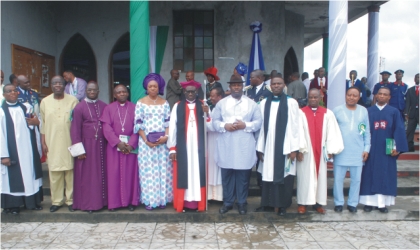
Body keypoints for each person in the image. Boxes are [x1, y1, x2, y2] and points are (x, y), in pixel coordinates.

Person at [212, 74, 263, 215]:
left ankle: (242, 203)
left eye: (238, 85)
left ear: (242, 87)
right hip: (226, 144)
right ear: (229, 87)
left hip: (243, 145)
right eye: (233, 85)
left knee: (243, 176)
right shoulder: (221, 103)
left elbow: (258, 123)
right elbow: (214, 122)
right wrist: (225, 125)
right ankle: (228, 203)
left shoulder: (251, 104)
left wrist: (244, 125)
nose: (236, 87)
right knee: (227, 175)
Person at [255, 74, 301, 216]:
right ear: (270, 86)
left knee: (284, 176)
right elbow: (261, 127)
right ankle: (266, 204)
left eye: (279, 83)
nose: (276, 86)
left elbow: (295, 127)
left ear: (284, 85)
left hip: (285, 146)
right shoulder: (263, 103)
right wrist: (260, 148)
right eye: (274, 84)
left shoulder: (291, 102)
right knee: (267, 175)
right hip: (268, 145)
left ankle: (282, 206)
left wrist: (294, 148)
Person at [360, 87, 408, 213]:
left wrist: (397, 148)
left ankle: (382, 204)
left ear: (389, 97)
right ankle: (368, 203)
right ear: (375, 95)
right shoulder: (368, 111)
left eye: (385, 94)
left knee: (385, 174)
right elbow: (362, 130)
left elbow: (399, 130)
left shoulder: (394, 112)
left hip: (387, 150)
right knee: (368, 174)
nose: (382, 96)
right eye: (379, 94)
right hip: (370, 149)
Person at [296, 89, 344, 214]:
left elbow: (332, 133)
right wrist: (300, 149)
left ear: (320, 98)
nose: (313, 99)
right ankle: (303, 203)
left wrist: (330, 149)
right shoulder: (301, 113)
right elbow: (298, 132)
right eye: (310, 97)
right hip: (306, 151)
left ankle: (318, 203)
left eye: (315, 97)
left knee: (321, 177)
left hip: (321, 151)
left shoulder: (328, 113)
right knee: (304, 177)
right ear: (307, 98)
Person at [1, 84, 43, 215]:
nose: (13, 93)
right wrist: (3, 155)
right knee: (13, 178)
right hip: (12, 152)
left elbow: (34, 125)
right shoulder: (1, 112)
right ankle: (13, 205)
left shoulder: (27, 107)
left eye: (14, 91)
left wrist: (36, 123)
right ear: (4, 95)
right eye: (9, 91)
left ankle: (32, 202)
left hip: (28, 150)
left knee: (30, 174)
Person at [167, 80, 207, 213]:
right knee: (184, 173)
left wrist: (208, 114)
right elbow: (172, 128)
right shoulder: (177, 106)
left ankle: (198, 204)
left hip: (199, 147)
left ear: (196, 92)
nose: (190, 94)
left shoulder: (203, 105)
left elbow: (211, 126)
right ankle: (182, 203)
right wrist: (172, 148)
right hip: (183, 147)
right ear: (184, 92)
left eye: (193, 91)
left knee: (197, 172)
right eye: (188, 91)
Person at [40, 76, 79, 212]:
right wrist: (43, 142)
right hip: (52, 141)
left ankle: (71, 200)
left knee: (70, 171)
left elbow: (77, 122)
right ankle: (56, 201)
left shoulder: (73, 100)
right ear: (51, 85)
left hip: (69, 141)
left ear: (64, 85)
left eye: (60, 83)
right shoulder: (45, 102)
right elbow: (42, 124)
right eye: (55, 83)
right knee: (55, 172)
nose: (57, 85)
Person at [134, 73, 173, 210]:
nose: (152, 89)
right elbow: (138, 124)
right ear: (146, 87)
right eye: (150, 86)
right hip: (146, 144)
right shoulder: (141, 102)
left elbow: (168, 123)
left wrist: (166, 137)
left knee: (163, 170)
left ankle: (162, 200)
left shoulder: (165, 103)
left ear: (159, 87)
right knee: (148, 172)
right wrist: (146, 140)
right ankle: (150, 200)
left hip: (162, 143)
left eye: (155, 86)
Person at [100, 84, 139, 211]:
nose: (122, 94)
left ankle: (130, 202)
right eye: (119, 92)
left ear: (127, 93)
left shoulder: (134, 108)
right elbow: (106, 128)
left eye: (124, 92)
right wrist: (117, 142)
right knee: (113, 175)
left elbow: (137, 128)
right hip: (114, 148)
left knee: (130, 175)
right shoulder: (108, 109)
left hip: (130, 148)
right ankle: (114, 203)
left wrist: (131, 144)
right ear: (114, 95)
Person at [70, 81, 108, 213]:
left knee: (101, 174)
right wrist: (79, 150)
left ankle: (103, 202)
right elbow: (75, 130)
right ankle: (89, 204)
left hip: (102, 145)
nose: (92, 92)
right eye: (89, 90)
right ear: (86, 91)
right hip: (86, 146)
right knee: (88, 176)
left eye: (94, 90)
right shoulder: (79, 107)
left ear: (98, 91)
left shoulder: (104, 106)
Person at [333, 87, 371, 213]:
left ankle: (352, 203)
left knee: (356, 179)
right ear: (346, 95)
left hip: (357, 151)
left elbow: (366, 132)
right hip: (341, 151)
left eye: (354, 95)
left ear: (359, 97)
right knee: (338, 179)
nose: (351, 97)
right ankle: (338, 203)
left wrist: (366, 148)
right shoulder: (337, 110)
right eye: (349, 95)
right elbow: (331, 132)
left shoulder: (363, 111)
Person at [203, 87, 225, 202]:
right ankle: (211, 195)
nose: (210, 98)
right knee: (211, 164)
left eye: (213, 95)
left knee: (219, 165)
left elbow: (215, 125)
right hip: (211, 140)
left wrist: (208, 113)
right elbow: (207, 126)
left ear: (219, 96)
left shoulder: (224, 107)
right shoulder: (211, 107)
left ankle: (219, 195)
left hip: (221, 139)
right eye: (210, 95)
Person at [405, 73, 419, 152]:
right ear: (414, 79)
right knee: (410, 130)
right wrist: (406, 113)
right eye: (417, 77)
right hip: (412, 113)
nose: (418, 78)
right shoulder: (410, 90)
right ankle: (410, 146)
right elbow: (408, 102)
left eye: (419, 77)